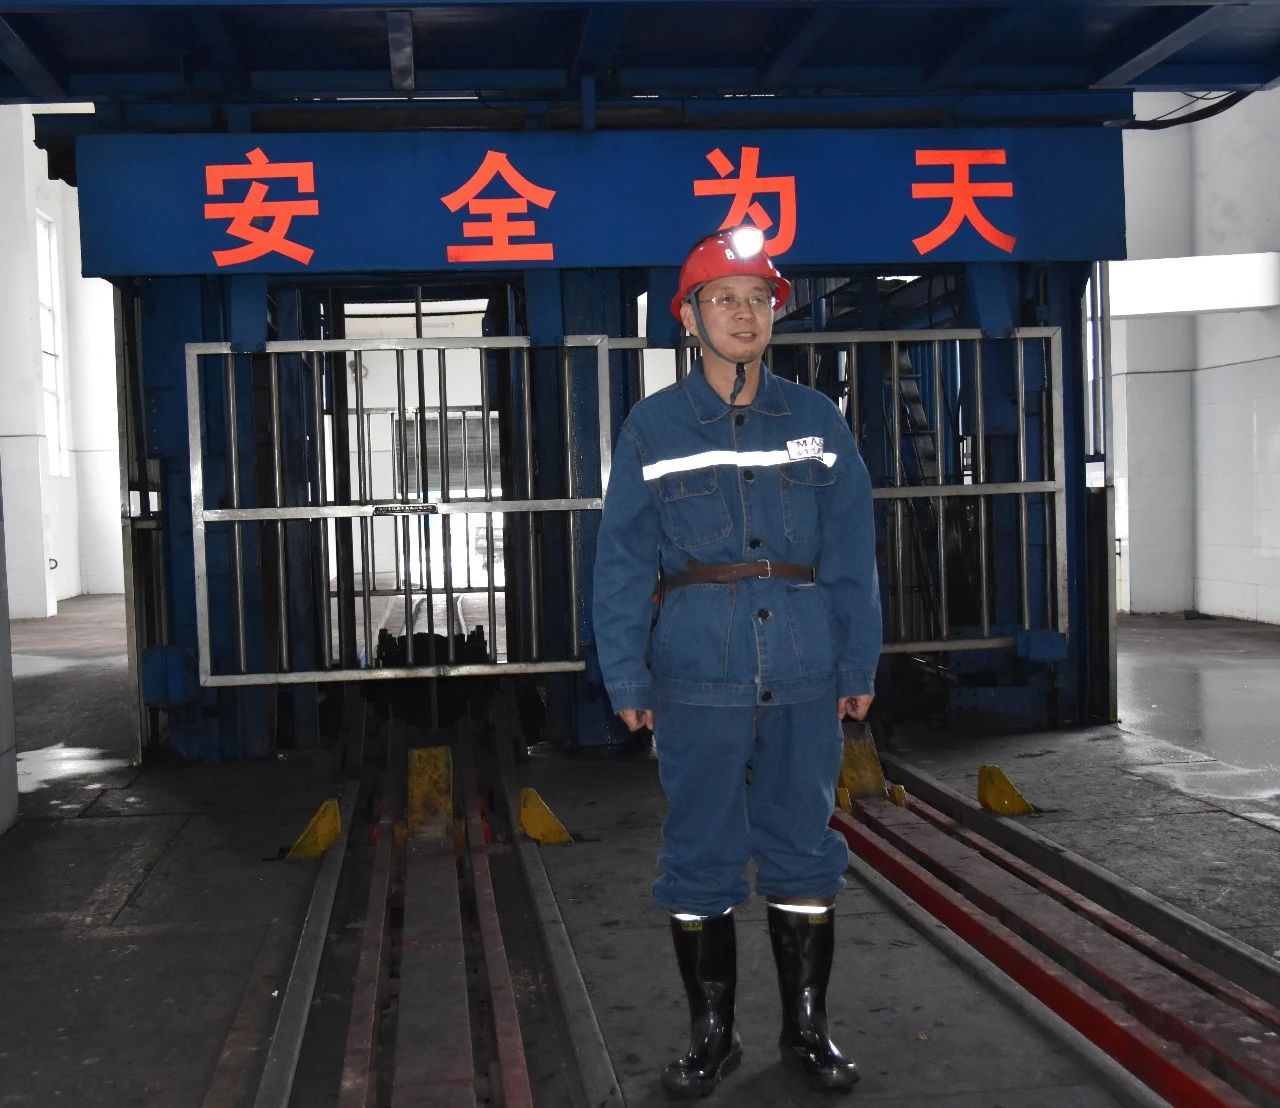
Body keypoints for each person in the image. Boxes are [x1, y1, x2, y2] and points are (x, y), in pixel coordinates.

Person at [592, 225, 882, 1098]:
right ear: (689, 317)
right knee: (699, 853)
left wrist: (858, 664)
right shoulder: (653, 428)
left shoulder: (818, 423)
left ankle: (807, 1031)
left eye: (758, 298)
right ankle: (712, 1037)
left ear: (775, 314)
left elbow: (852, 552)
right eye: (723, 298)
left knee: (804, 848)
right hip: (697, 671)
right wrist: (626, 674)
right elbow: (621, 560)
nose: (744, 313)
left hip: (803, 662)